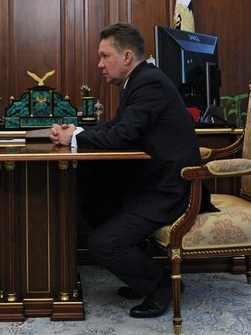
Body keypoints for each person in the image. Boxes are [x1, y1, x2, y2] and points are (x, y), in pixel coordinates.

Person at [50, 23, 212, 319]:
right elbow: (116, 126)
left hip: (170, 189)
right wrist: (77, 131)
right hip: (150, 182)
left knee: (102, 244)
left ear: (126, 56)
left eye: (104, 56)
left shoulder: (148, 82)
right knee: (95, 207)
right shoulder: (138, 81)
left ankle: (162, 284)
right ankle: (142, 276)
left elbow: (122, 136)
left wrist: (73, 138)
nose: (99, 64)